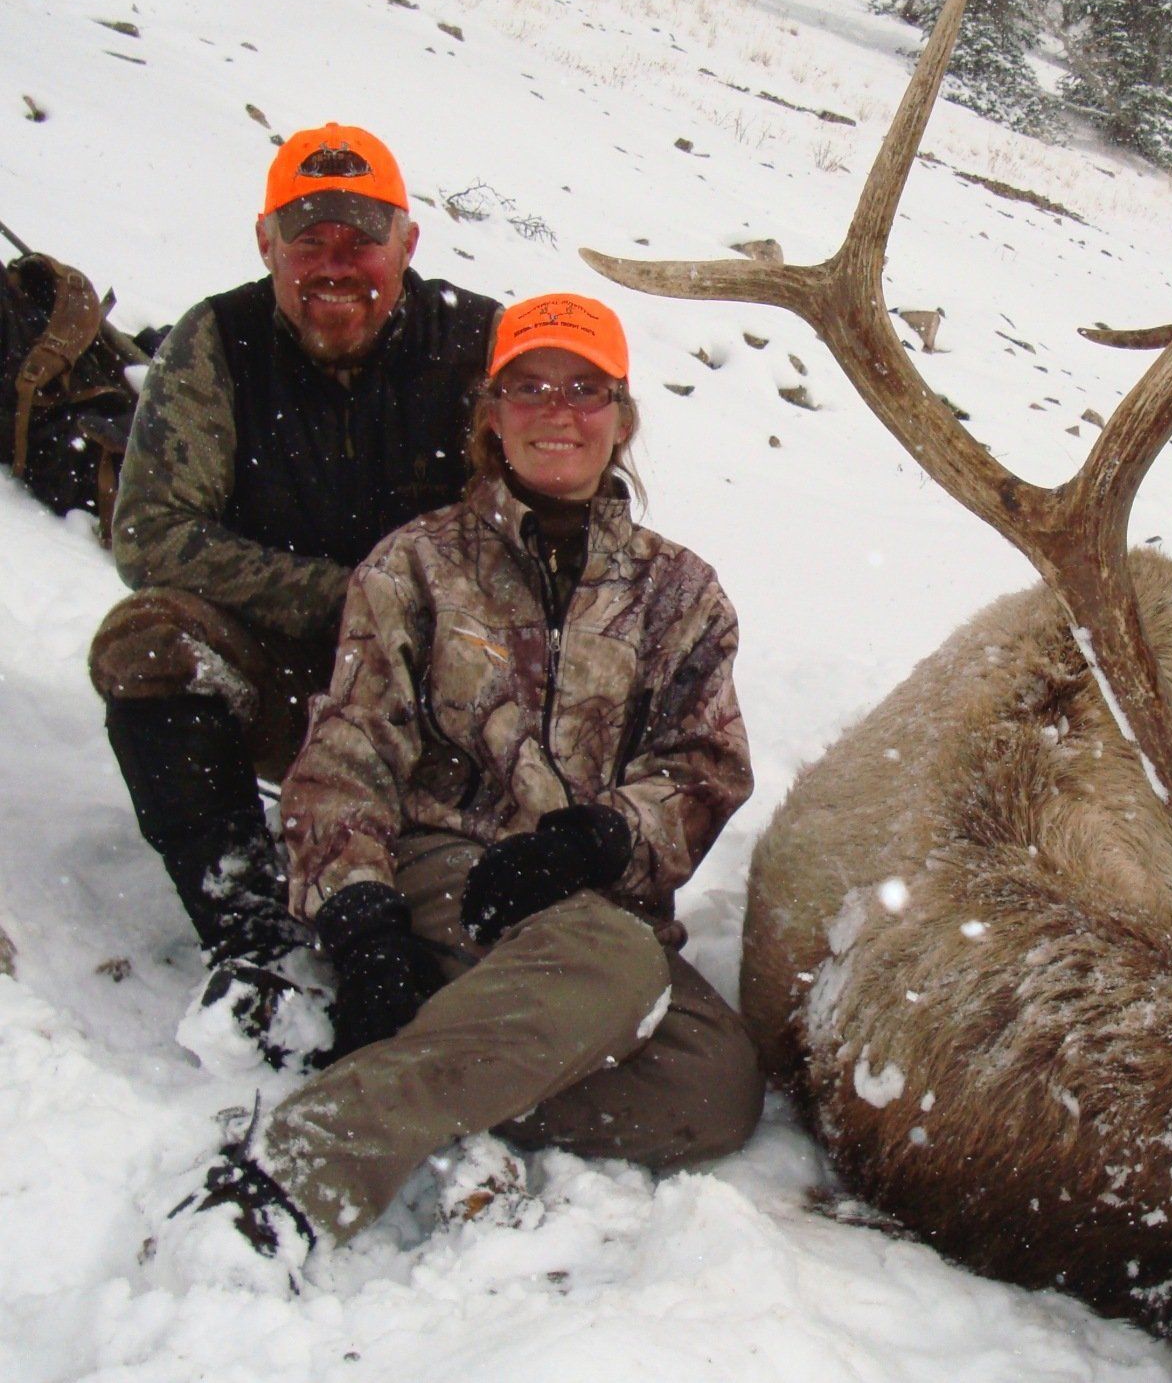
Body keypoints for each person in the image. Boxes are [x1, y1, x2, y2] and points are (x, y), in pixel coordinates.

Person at [166, 292, 762, 1265]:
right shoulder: (417, 562)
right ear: (490, 413)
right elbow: (349, 749)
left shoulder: (681, 592)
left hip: (588, 894)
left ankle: (428, 1046)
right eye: (529, 387)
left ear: (623, 415)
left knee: (716, 1089)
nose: (557, 411)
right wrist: (359, 918)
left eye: (585, 388)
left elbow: (705, 765)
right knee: (616, 967)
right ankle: (303, 1160)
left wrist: (608, 833)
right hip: (447, 867)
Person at [86, 123, 499, 1058]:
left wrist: (412, 626)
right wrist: (347, 598)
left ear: (409, 244)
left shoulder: (481, 345)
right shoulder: (217, 343)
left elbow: (540, 531)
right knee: (150, 642)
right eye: (308, 239)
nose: (335, 263)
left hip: (438, 694)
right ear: (265, 242)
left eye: (361, 238)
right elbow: (151, 530)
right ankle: (248, 926)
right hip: (288, 674)